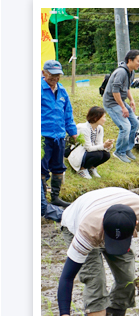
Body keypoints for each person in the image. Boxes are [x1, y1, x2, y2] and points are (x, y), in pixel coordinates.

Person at [55, 187, 139, 316]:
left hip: (108, 210)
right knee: (95, 281)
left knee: (127, 279)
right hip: (78, 222)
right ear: (103, 222)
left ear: (135, 224)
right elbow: (67, 276)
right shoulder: (87, 231)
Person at [41, 60, 78, 207]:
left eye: (58, 75)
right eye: (52, 75)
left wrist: (73, 132)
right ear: (44, 73)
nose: (55, 78)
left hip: (59, 136)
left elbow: (67, 113)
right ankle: (42, 201)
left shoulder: (62, 90)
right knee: (41, 169)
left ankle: (55, 197)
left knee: (58, 167)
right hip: (43, 137)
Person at [103, 50, 139, 163]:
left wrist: (131, 100)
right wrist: (123, 107)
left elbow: (127, 88)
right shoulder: (121, 72)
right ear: (130, 60)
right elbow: (115, 92)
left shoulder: (131, 71)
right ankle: (119, 152)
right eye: (138, 61)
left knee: (135, 123)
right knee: (125, 127)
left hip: (120, 100)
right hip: (112, 103)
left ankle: (127, 149)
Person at [68, 107, 113, 179]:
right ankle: (82, 169)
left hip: (88, 151)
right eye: (103, 117)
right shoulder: (84, 129)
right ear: (96, 118)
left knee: (106, 154)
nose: (105, 120)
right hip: (79, 152)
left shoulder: (99, 128)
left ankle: (91, 168)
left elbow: (99, 144)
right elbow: (88, 148)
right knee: (98, 154)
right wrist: (103, 146)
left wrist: (107, 146)